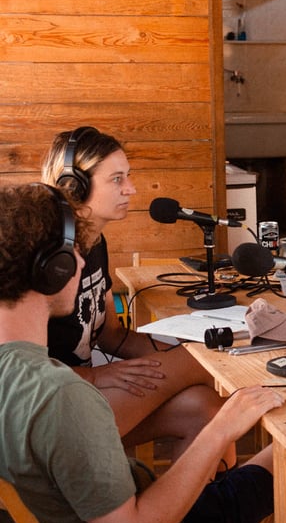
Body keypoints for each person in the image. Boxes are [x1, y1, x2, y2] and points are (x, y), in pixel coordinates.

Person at [0, 183, 286, 523]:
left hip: (112, 516)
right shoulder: (62, 395)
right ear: (55, 268)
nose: (82, 262)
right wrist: (221, 430)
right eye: (74, 253)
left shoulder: (19, 375)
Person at [40, 126, 230, 469]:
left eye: (128, 176)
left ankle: (199, 519)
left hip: (89, 391)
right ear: (75, 186)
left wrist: (175, 354)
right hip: (57, 408)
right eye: (116, 179)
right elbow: (22, 368)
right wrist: (97, 377)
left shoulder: (96, 243)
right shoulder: (49, 260)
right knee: (204, 362)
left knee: (207, 407)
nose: (131, 189)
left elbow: (112, 334)